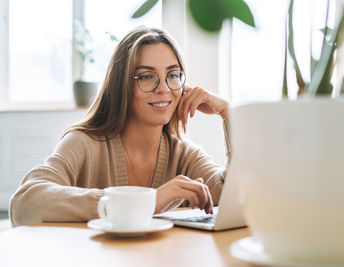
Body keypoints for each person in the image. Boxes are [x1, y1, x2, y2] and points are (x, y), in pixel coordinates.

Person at [9, 26, 231, 226]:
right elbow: (25, 202)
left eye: (172, 75)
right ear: (122, 86)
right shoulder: (83, 143)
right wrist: (143, 203)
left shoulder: (185, 154)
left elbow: (240, 199)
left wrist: (228, 113)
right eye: (146, 76)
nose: (163, 88)